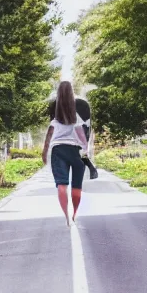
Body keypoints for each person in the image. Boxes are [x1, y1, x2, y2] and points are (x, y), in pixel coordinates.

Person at [41, 81, 90, 227]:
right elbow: (82, 137)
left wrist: (44, 153)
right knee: (77, 187)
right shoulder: (75, 118)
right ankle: (75, 213)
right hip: (74, 151)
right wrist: (86, 151)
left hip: (58, 151)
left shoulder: (55, 120)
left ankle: (67, 217)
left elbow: (48, 138)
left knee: (61, 185)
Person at [47, 92, 98, 181]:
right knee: (77, 152)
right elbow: (86, 125)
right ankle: (90, 169)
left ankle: (87, 170)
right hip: (80, 130)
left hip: (69, 136)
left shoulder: (58, 105)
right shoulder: (81, 104)